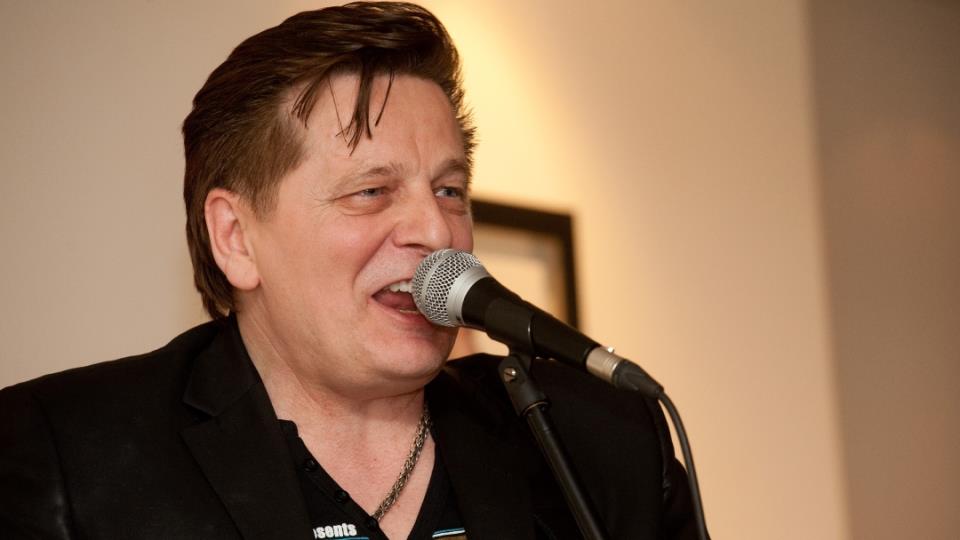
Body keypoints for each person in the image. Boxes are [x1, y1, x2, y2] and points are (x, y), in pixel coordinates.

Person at [0, 2, 701, 538]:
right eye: (371, 191)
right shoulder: (64, 455)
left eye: (449, 190)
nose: (437, 232)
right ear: (235, 238)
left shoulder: (597, 440)